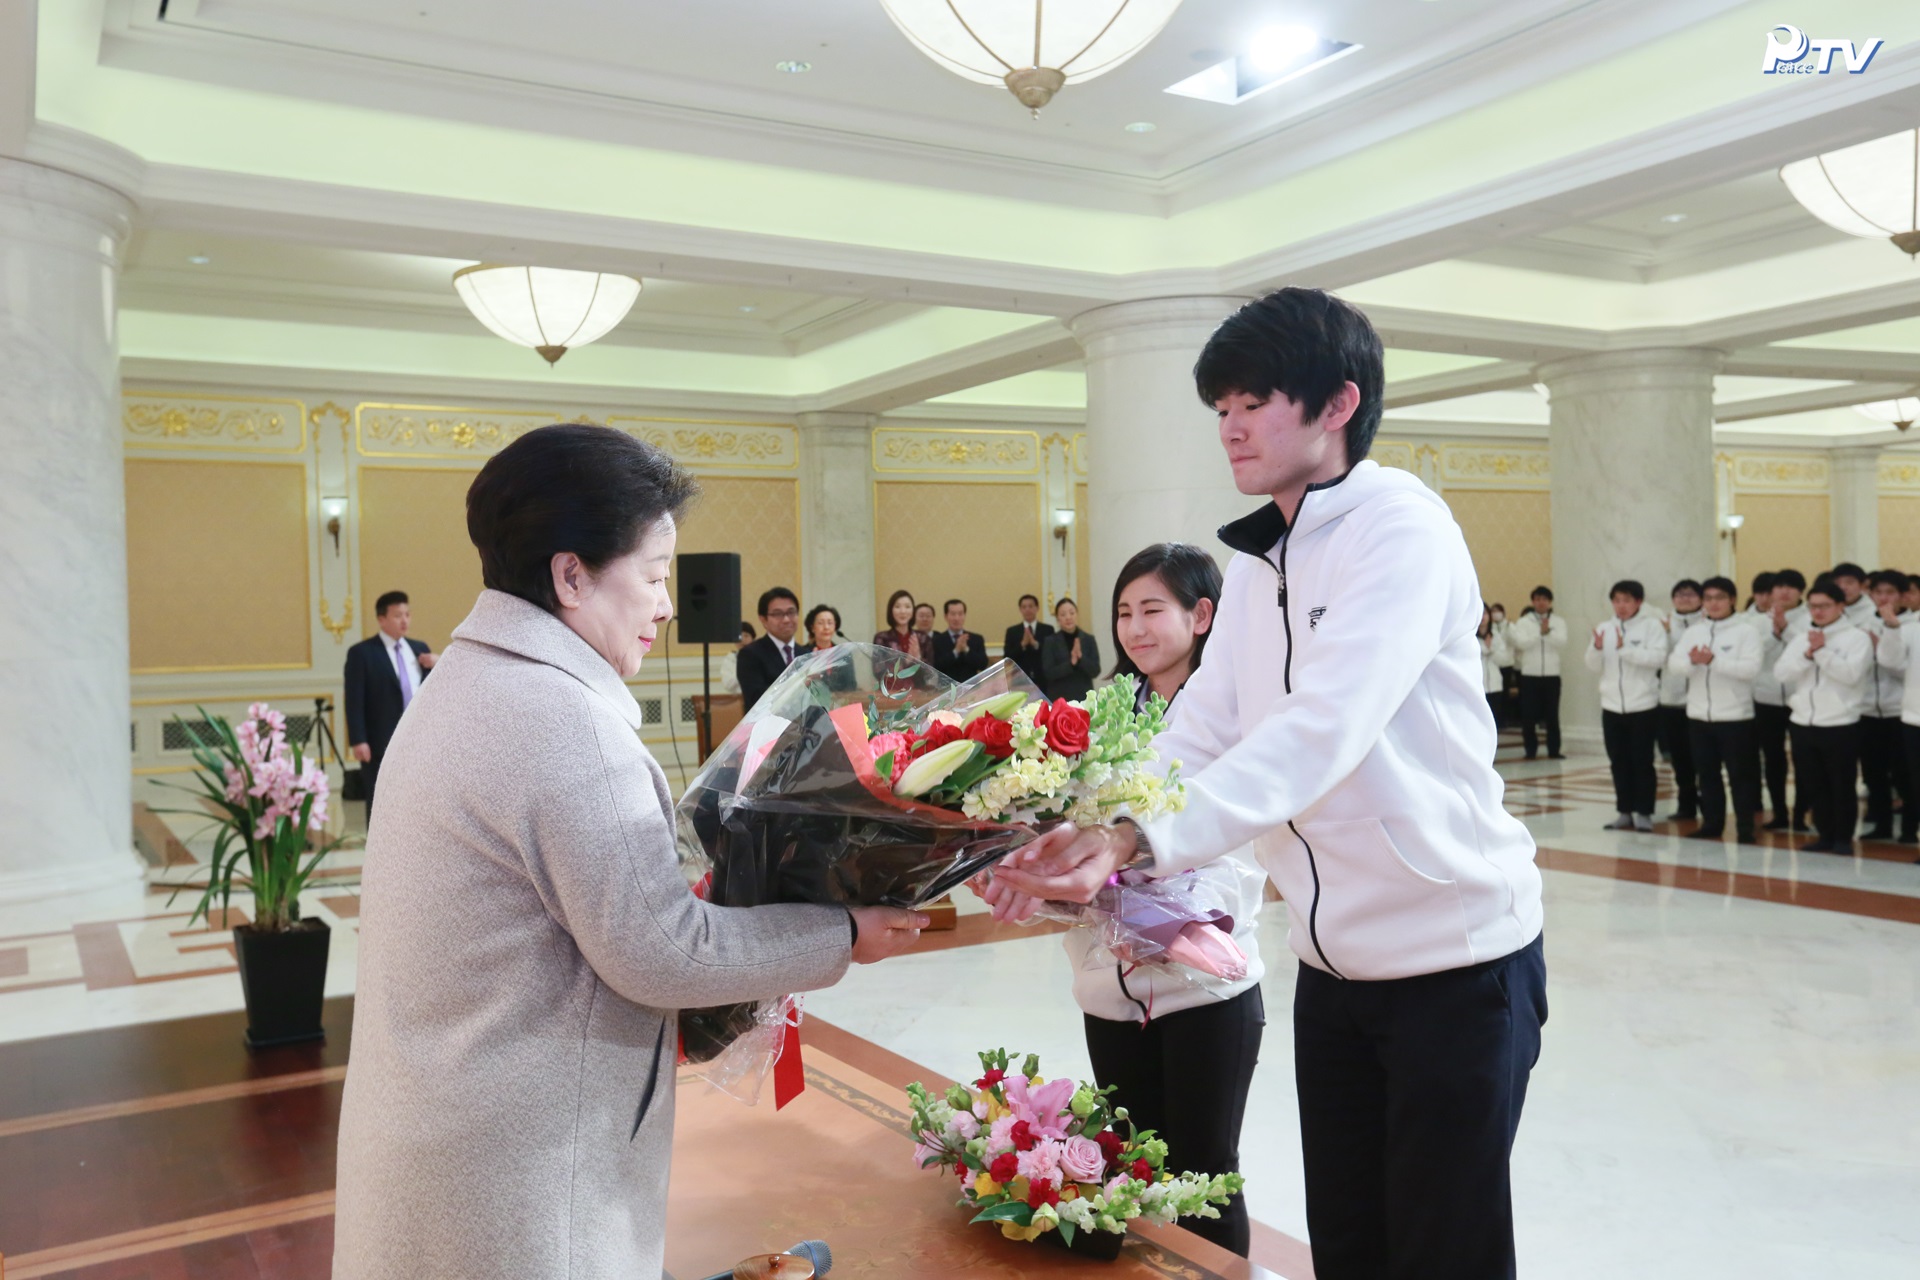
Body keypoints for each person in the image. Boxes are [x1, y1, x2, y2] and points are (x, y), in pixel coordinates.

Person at [984, 288, 1545, 1280]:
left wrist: (1132, 840)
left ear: (1337, 403)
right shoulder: (1254, 562)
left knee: (1443, 1245)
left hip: (1455, 964)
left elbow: (1320, 730)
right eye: (1222, 405)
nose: (1232, 425)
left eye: (1256, 400)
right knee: (1353, 1240)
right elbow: (1200, 726)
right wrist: (1095, 824)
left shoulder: (1400, 530)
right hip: (1331, 971)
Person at [332, 424, 926, 1280]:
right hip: (526, 1163)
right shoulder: (564, 723)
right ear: (571, 575)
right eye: (651, 576)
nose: (666, 604)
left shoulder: (457, 685)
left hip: (439, 1125)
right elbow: (662, 953)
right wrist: (843, 933)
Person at [1072, 542, 1265, 1256]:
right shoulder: (1106, 711)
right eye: (1124, 612)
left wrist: (1163, 906)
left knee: (1206, 1174)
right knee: (1133, 1166)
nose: (1136, 628)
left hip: (1204, 985)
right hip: (1110, 983)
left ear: (1203, 614)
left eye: (1154, 609)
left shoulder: (1236, 718)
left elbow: (1242, 846)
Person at [1774, 576, 1872, 854]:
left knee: (1841, 784)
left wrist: (1822, 651)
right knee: (1814, 783)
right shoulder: (1802, 637)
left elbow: (1851, 675)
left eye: (1825, 606)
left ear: (1840, 606)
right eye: (1813, 606)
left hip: (1840, 722)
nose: (1818, 611)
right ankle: (1825, 835)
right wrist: (1807, 654)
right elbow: (1781, 673)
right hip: (1803, 721)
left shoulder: (1857, 638)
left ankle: (1843, 839)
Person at [1666, 577, 1763, 844]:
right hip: (1698, 715)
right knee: (1706, 775)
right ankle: (1712, 823)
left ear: (1732, 599)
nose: (1713, 603)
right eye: (1708, 599)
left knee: (1740, 777)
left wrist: (1714, 661)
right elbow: (1675, 664)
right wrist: (1693, 662)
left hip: (1735, 717)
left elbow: (1750, 669)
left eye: (1719, 598)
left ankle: (1745, 828)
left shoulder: (1746, 631)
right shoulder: (1694, 631)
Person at [1586, 580, 1669, 832]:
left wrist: (1626, 651)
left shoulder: (1652, 626)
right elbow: (1591, 665)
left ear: (1638, 602)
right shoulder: (1605, 628)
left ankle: (1644, 812)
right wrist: (1599, 648)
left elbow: (1658, 658)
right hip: (1611, 705)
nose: (1621, 606)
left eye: (1627, 600)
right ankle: (1624, 811)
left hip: (1643, 705)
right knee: (1618, 761)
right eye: (1617, 600)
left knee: (1642, 761)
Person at [343, 590, 435, 815]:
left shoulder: (419, 649)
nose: (404, 620)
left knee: (417, 799)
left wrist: (437, 664)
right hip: (379, 740)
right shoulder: (362, 653)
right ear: (381, 619)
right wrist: (358, 739)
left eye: (407, 614)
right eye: (397, 615)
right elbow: (354, 699)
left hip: (417, 738)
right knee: (379, 801)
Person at [1858, 570, 1912, 841]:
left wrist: (1885, 650)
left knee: (1904, 773)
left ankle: (1910, 828)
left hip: (1901, 711)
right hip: (1868, 708)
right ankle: (1881, 823)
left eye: (1890, 593)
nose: (1883, 598)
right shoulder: (1863, 624)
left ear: (1902, 596)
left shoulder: (1912, 625)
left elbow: (1908, 671)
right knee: (1873, 772)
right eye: (1878, 592)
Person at [1658, 579, 1703, 822]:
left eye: (1690, 594)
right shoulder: (1663, 623)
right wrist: (1665, 634)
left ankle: (1709, 804)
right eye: (1680, 594)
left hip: (1702, 702)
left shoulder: (1708, 623)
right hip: (1671, 700)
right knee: (1680, 757)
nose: (1685, 598)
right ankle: (1686, 804)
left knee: (1703, 758)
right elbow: (1660, 658)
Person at [1508, 586, 1567, 760]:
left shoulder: (1558, 621)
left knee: (1552, 715)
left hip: (1551, 674)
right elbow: (1521, 643)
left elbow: (1562, 642)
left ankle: (1554, 750)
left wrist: (1547, 633)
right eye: (1538, 599)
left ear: (1550, 602)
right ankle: (1530, 750)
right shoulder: (1525, 622)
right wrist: (1538, 634)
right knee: (1529, 714)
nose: (1541, 602)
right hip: (1529, 674)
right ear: (1533, 601)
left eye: (1544, 599)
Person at [736, 587, 801, 712]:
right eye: (778, 614)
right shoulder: (750, 655)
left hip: (808, 729)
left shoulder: (806, 653)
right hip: (768, 727)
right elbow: (757, 699)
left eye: (791, 612)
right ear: (763, 619)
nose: (786, 619)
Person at [1040, 597, 1100, 701]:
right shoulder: (1050, 641)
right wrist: (1071, 664)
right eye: (1063, 614)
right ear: (1058, 619)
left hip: (1084, 698)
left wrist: (1081, 657)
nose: (1068, 617)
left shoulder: (1088, 639)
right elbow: (1048, 673)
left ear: (1077, 614)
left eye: (1071, 613)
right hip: (1059, 698)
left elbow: (1095, 671)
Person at [1002, 592, 1054, 689]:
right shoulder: (1012, 631)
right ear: (1020, 610)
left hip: (1043, 680)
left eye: (1030, 606)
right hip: (1019, 680)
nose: (1027, 609)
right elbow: (1007, 657)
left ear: (1037, 608)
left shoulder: (1048, 629)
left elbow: (1050, 653)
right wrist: (1023, 644)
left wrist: (1035, 644)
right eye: (1024, 607)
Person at [931, 598, 988, 681]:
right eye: (953, 614)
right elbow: (937, 667)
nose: (957, 618)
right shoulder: (937, 640)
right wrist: (956, 651)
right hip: (947, 689)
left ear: (964, 615)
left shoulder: (977, 639)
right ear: (946, 616)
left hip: (971, 688)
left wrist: (966, 649)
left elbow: (983, 665)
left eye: (960, 614)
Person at [1477, 603, 1512, 727]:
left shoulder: (1496, 636)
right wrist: (1486, 648)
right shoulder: (1469, 638)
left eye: (1485, 613)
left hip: (1495, 684)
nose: (1482, 617)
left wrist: (1490, 649)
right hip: (1478, 685)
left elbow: (1504, 660)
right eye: (1479, 613)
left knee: (1494, 721)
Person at [873, 589, 923, 659]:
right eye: (897, 607)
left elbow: (931, 668)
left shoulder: (922, 638)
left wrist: (918, 658)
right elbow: (878, 668)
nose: (903, 611)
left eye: (907, 607)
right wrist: (909, 661)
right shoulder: (882, 638)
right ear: (891, 610)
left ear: (913, 611)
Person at [718, 621, 753, 696]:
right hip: (738, 699)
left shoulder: (760, 657)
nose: (742, 640)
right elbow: (728, 685)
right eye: (739, 637)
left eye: (746, 636)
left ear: (753, 638)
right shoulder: (730, 659)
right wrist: (743, 668)